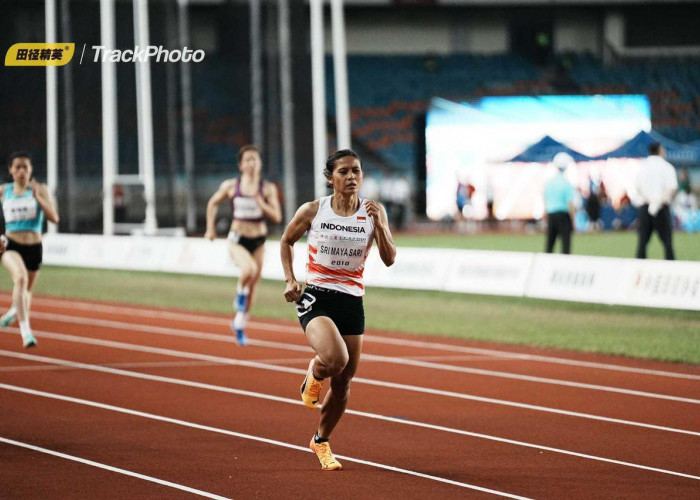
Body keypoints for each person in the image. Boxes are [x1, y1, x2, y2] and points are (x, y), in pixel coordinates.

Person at [280, 149, 396, 471]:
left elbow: (389, 258)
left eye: (356, 171)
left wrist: (381, 227)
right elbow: (286, 241)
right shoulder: (314, 210)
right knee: (336, 359)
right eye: (344, 172)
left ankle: (320, 441)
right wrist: (291, 279)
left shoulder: (373, 211)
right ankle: (314, 374)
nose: (352, 177)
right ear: (331, 178)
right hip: (317, 296)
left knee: (344, 383)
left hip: (352, 301)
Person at [204, 145, 282, 345]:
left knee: (254, 286)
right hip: (237, 238)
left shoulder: (267, 188)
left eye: (255, 159)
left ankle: (239, 324)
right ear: (240, 165)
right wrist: (210, 228)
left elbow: (276, 216)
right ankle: (239, 292)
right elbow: (212, 203)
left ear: (260, 163)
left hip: (259, 240)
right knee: (249, 269)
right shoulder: (231, 186)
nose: (252, 163)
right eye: (247, 159)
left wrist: (260, 202)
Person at [0, 151, 60, 347]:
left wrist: (38, 198)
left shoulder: (40, 189)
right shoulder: (3, 191)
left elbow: (54, 218)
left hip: (34, 246)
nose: (22, 171)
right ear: (10, 170)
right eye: (17, 167)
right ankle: (26, 333)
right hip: (11, 245)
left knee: (26, 291)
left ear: (31, 170)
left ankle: (12, 312)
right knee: (20, 278)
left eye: (25, 167)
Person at [635, 142, 678, 260]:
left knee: (642, 243)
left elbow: (638, 187)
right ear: (660, 151)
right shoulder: (667, 167)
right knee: (668, 244)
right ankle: (673, 269)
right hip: (662, 207)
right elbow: (672, 188)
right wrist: (658, 201)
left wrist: (651, 201)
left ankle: (638, 270)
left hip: (645, 206)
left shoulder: (642, 166)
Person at [544, 152, 577, 254]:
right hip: (563, 216)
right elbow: (570, 204)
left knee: (549, 245)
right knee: (565, 245)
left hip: (551, 215)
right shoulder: (566, 183)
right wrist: (573, 221)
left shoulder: (549, 183)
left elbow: (545, 201)